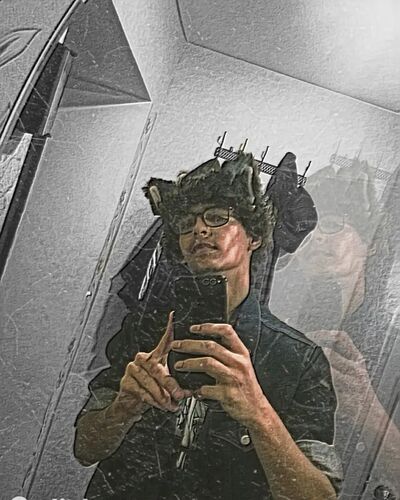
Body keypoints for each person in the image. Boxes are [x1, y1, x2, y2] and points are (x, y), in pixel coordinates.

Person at [74, 152, 342, 499]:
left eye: (217, 217)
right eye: (187, 223)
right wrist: (123, 407)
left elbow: (319, 496)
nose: (199, 229)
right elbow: (85, 449)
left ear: (254, 237)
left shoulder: (299, 360)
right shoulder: (145, 330)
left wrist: (258, 413)